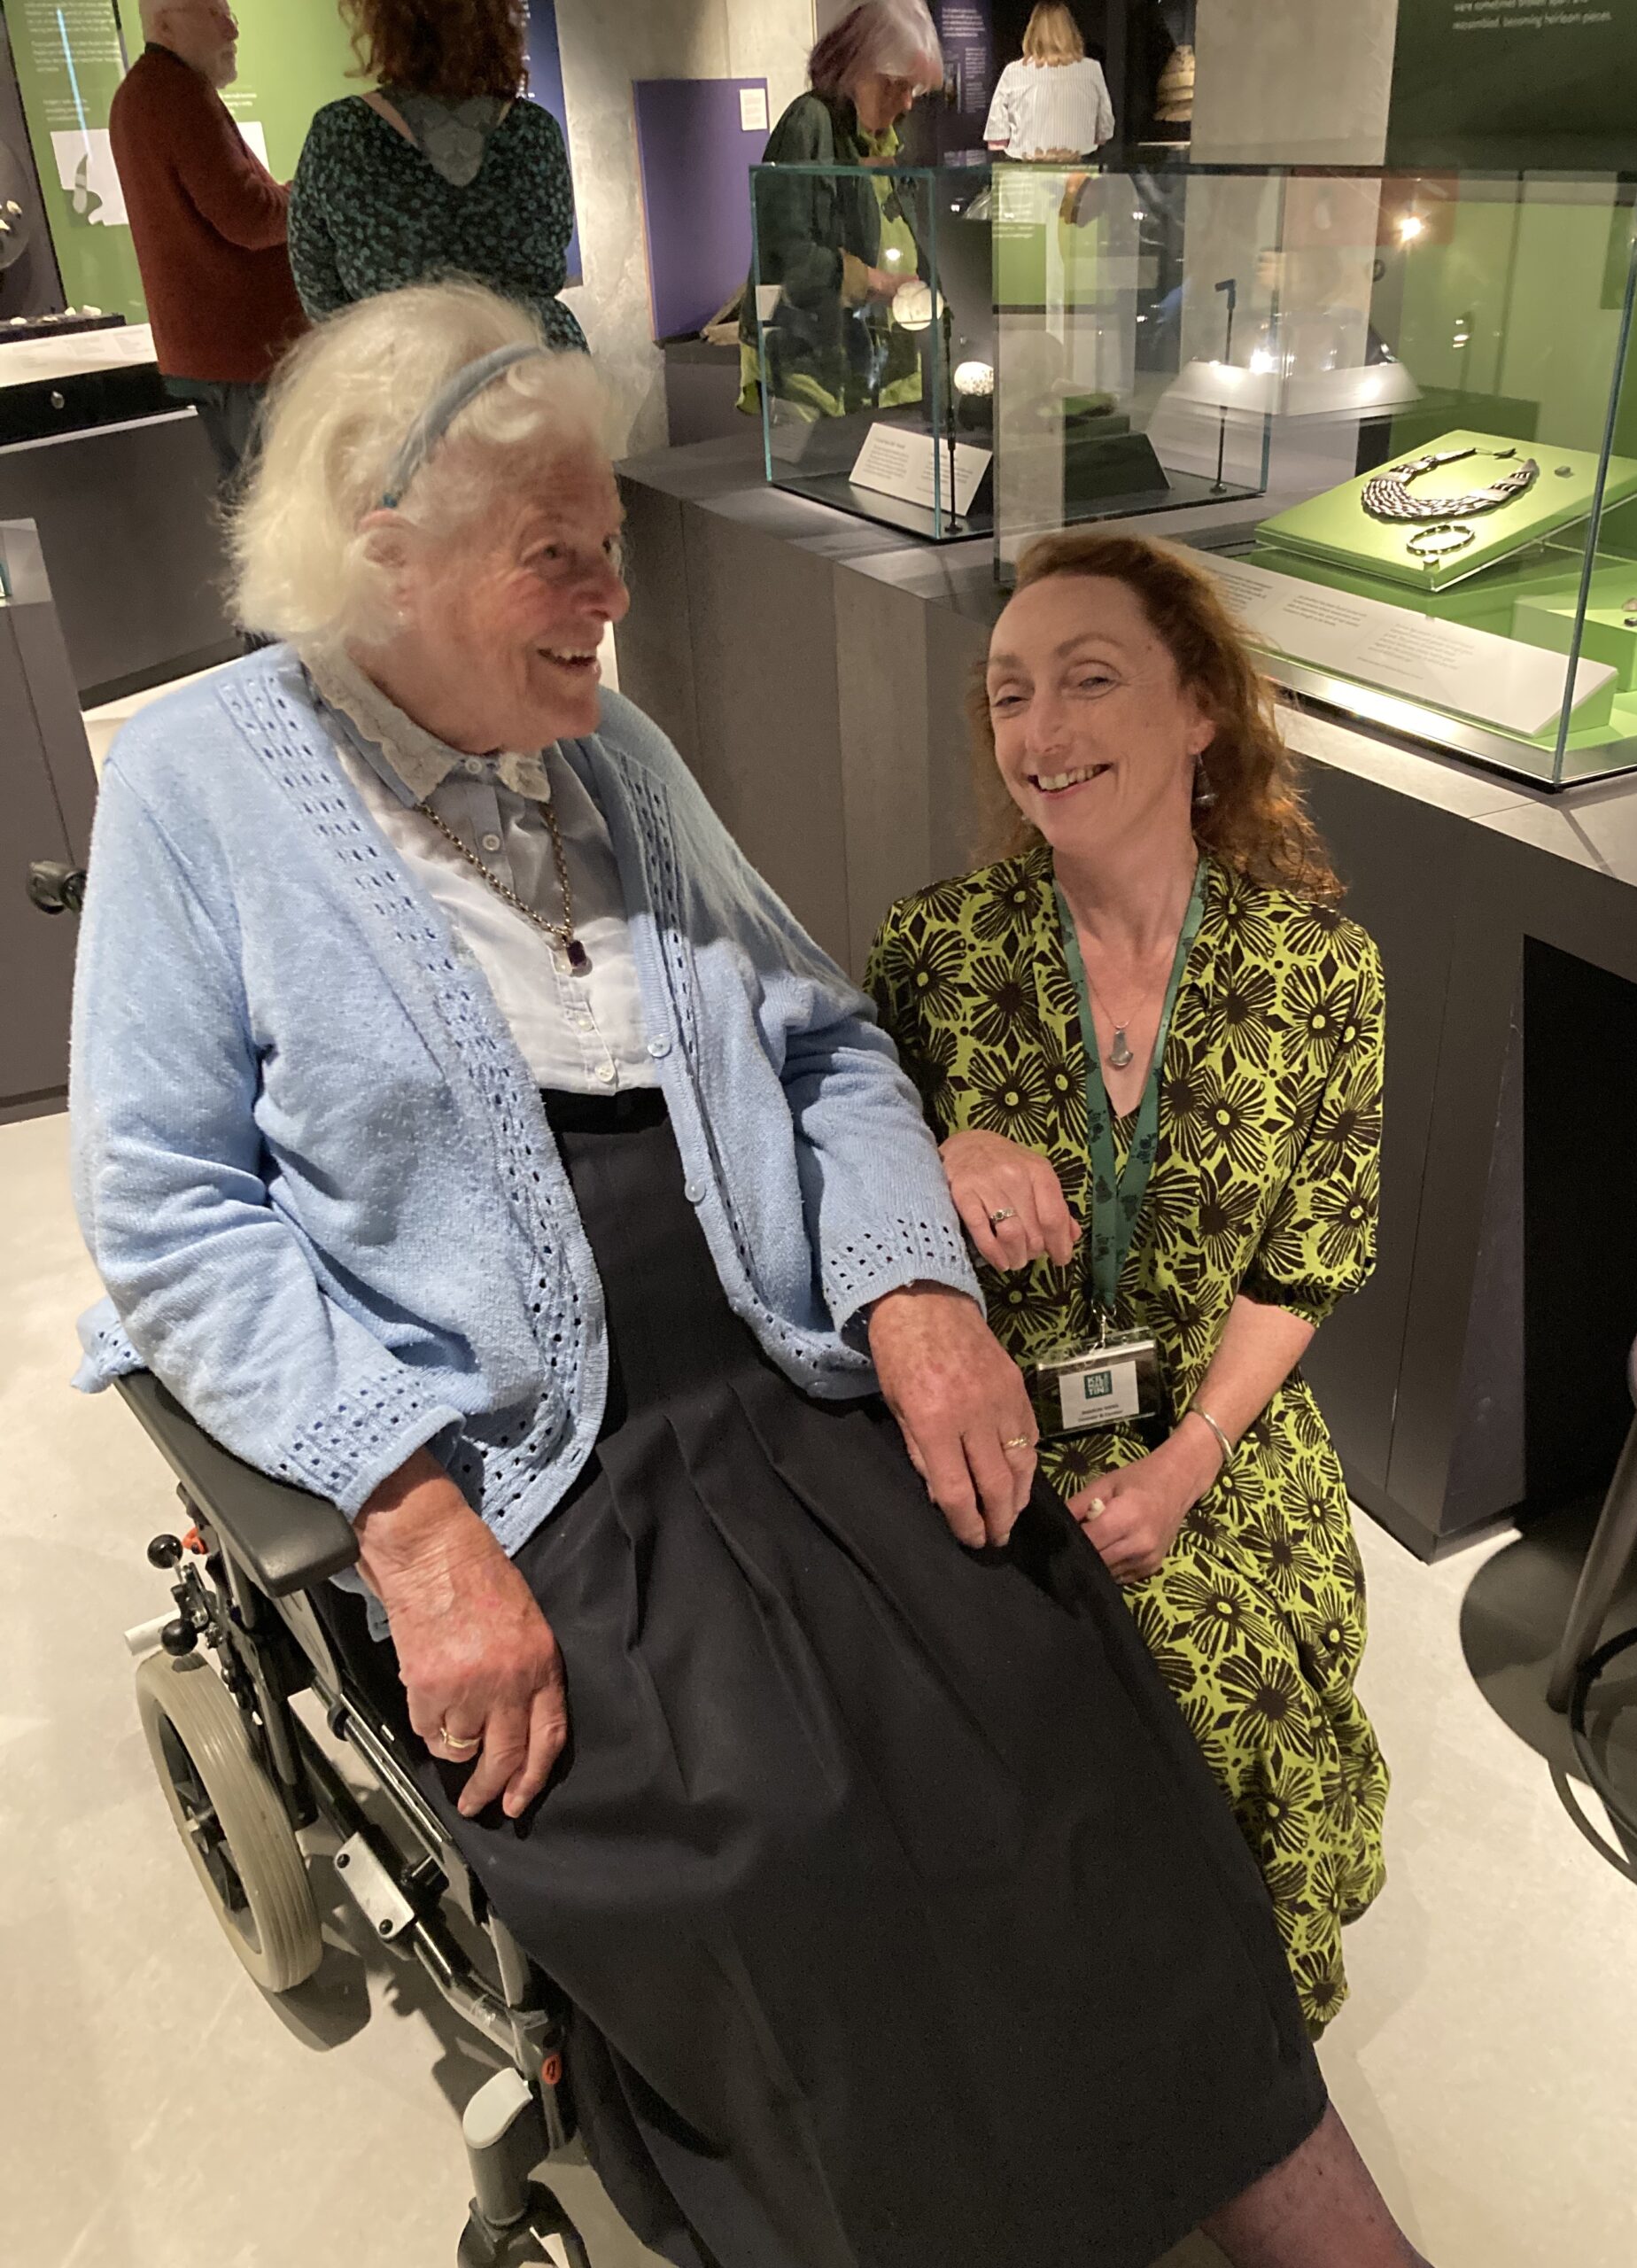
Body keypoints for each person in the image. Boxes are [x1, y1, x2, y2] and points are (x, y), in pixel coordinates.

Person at [69, 282, 1432, 2268]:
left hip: (779, 1353)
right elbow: (174, 1207)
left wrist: (913, 1293)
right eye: (561, 552)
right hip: (520, 1448)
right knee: (783, 1840)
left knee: (1059, 1685)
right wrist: (413, 1511)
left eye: (610, 538)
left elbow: (817, 1035)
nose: (611, 591)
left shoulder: (607, 747)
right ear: (383, 534)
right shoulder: (203, 786)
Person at [866, 528, 1391, 2036]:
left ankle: (1212, 2055)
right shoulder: (936, 950)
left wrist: (1186, 1462)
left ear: (1200, 711)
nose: (1042, 731)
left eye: (1090, 681)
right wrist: (942, 1151)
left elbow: (1306, 1269)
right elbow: (837, 1182)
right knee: (1070, 1699)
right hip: (991, 1426)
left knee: (1234, 1690)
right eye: (1011, 692)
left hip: (1212, 1429)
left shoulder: (1322, 973)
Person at [288, 0, 584, 351]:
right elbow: (549, 262)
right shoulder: (536, 131)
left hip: (402, 377)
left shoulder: (341, 133)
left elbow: (322, 298)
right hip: (533, 368)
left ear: (387, 26)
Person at [108, 0, 306, 491]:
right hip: (243, 356)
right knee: (275, 517)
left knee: (252, 515)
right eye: (214, 12)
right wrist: (309, 189)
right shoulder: (176, 94)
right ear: (166, 24)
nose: (232, 28)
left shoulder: (147, 92)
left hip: (219, 356)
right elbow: (249, 217)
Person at [736, 0, 942, 419]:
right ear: (857, 70)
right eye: (896, 85)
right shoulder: (809, 123)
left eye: (913, 90)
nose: (906, 104)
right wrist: (878, 282)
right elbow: (788, 253)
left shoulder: (880, 139)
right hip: (815, 369)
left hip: (876, 366)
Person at [984, 4, 1115, 163]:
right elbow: (1104, 132)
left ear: (1032, 32)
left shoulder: (1013, 73)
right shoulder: (1092, 70)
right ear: (1071, 31)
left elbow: (997, 138)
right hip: (1079, 175)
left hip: (1024, 175)